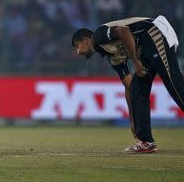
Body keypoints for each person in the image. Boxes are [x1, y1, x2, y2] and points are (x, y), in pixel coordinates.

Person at [71, 16, 184, 153]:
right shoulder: (113, 56)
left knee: (174, 83)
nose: (78, 52)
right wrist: (132, 120)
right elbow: (129, 87)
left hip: (154, 33)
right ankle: (146, 141)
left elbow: (123, 31)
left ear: (86, 40)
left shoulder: (99, 36)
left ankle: (146, 140)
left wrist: (135, 61)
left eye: (77, 46)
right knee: (137, 89)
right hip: (146, 49)